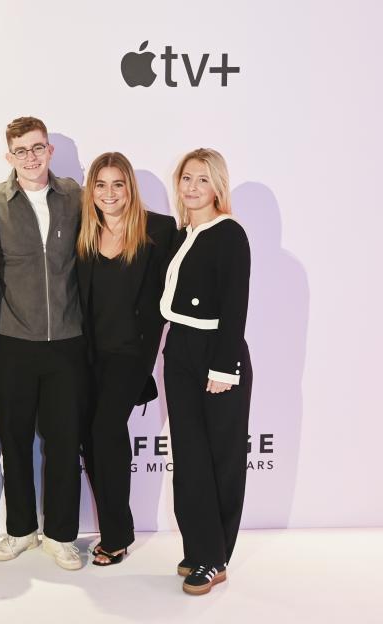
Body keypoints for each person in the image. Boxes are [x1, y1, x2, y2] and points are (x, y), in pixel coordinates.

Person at [0, 117, 89, 570]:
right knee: (15, 440)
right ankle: (21, 530)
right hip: (11, 341)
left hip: (67, 341)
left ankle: (62, 535)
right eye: (21, 150)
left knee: (64, 442)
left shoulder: (75, 197)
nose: (31, 157)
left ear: (49, 150)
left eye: (38, 148)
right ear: (9, 156)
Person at [76, 152, 176, 566]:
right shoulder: (84, 232)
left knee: (106, 430)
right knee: (91, 438)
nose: (109, 193)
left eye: (117, 184)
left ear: (129, 187)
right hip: (88, 354)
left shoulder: (159, 230)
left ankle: (117, 534)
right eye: (101, 185)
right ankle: (114, 527)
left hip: (131, 354)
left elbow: (178, 289)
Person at [160, 148, 252, 595]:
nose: (193, 188)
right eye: (186, 179)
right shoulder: (181, 234)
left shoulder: (230, 233)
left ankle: (215, 559)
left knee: (222, 459)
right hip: (178, 350)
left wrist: (224, 366)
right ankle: (199, 548)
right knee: (190, 458)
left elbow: (235, 305)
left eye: (202, 179)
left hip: (217, 352)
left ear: (217, 186)